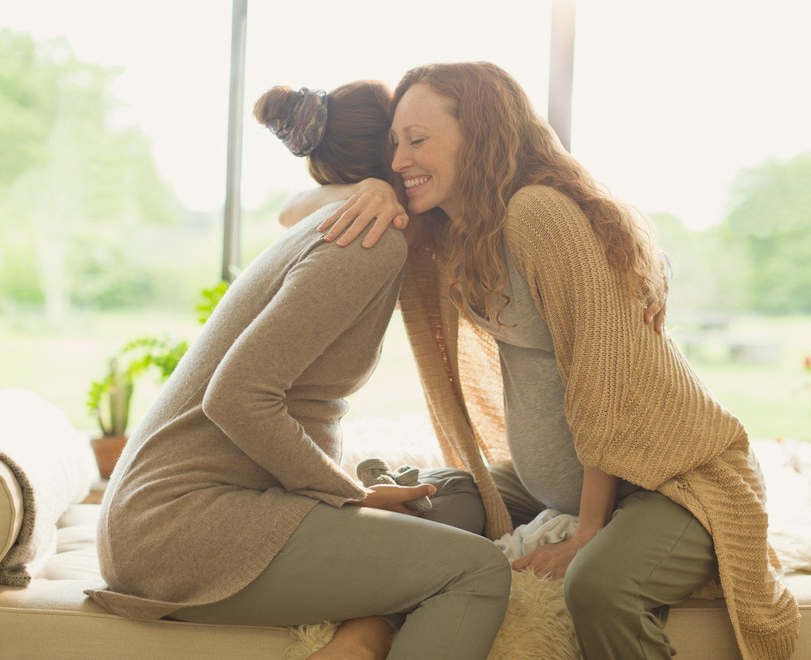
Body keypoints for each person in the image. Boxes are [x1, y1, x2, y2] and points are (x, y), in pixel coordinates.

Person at [300, 62, 800, 659]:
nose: (401, 159)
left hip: (666, 479)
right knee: (419, 508)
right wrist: (371, 188)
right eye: (394, 145)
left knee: (598, 587)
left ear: (479, 134)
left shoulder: (537, 213)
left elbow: (602, 377)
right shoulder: (452, 228)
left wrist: (588, 533)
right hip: (549, 485)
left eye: (417, 140)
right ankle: (369, 632)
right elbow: (295, 212)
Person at [86, 80, 511, 660]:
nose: (415, 155)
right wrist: (348, 494)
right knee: (478, 570)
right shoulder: (364, 241)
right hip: (177, 530)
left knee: (460, 500)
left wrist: (364, 188)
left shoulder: (342, 215)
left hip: (201, 508)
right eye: (406, 140)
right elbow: (235, 396)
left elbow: (293, 207)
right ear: (390, 159)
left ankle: (364, 634)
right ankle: (366, 637)